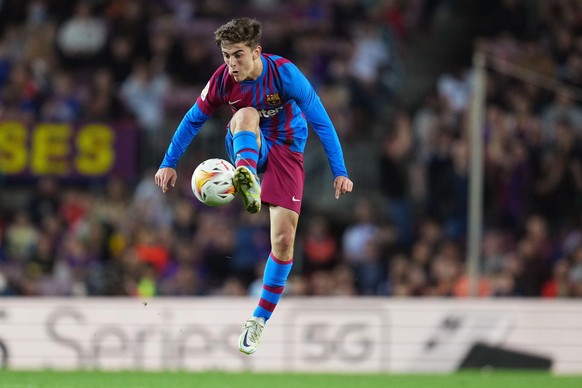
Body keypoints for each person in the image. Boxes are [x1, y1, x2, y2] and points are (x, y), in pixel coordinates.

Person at [154, 17, 353, 355]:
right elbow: (193, 119)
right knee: (246, 114)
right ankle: (245, 175)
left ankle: (258, 319)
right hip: (250, 143)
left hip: (288, 149)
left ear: (256, 52)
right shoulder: (221, 81)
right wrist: (168, 162)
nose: (231, 63)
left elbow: (321, 118)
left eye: (238, 55)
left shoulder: (285, 74)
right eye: (226, 55)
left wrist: (340, 170)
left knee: (284, 241)